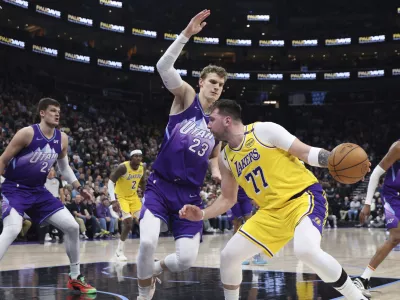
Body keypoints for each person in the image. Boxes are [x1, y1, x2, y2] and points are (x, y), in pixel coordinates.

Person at [180, 99, 369, 300]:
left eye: (211, 119)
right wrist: (201, 214)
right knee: (228, 256)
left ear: (227, 120)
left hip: (302, 198)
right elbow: (227, 199)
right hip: (270, 212)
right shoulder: (225, 158)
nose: (208, 125)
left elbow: (306, 152)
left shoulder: (263, 131)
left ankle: (357, 297)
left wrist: (337, 160)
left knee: (305, 250)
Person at [136, 9, 227, 300]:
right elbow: (163, 66)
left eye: (221, 85)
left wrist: (215, 170)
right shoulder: (186, 96)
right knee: (147, 242)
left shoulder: (218, 122)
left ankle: (157, 269)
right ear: (201, 82)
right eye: (213, 82)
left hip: (189, 195)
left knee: (186, 260)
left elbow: (214, 155)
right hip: (160, 186)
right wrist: (186, 33)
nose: (217, 87)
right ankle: (143, 292)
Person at [0, 98, 96, 294]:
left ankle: (75, 277)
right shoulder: (27, 133)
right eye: (52, 110)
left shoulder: (62, 139)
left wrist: (79, 187)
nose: (57, 114)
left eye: (58, 111)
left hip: (38, 190)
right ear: (42, 113)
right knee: (12, 229)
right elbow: (3, 160)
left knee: (72, 227)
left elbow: (64, 168)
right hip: (14, 188)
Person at [353, 140, 400, 297]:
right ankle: (362, 279)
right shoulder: (398, 148)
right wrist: (367, 204)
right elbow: (376, 174)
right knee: (395, 238)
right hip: (393, 194)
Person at [108, 150, 145, 261]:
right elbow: (110, 182)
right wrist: (113, 201)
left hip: (133, 197)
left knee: (145, 221)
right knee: (128, 224)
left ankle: (145, 251)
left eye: (140, 156)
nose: (138, 158)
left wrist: (146, 196)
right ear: (131, 158)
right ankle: (118, 252)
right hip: (121, 198)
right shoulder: (123, 167)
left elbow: (142, 182)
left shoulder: (142, 168)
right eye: (136, 156)